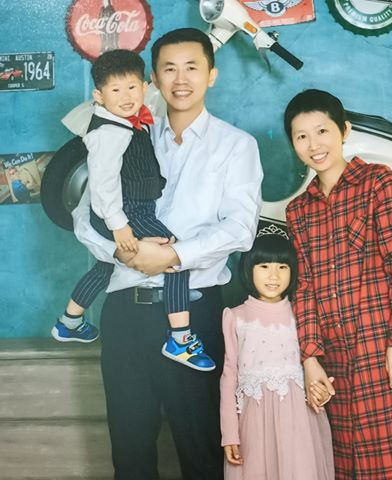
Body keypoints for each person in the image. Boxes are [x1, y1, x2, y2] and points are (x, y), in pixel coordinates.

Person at [71, 28, 263, 480]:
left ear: (211, 75)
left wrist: (173, 257)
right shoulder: (123, 132)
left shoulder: (236, 145)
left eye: (192, 67)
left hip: (193, 315)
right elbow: (84, 215)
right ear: (153, 80)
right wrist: (126, 253)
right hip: (125, 313)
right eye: (168, 69)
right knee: (130, 451)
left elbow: (240, 229)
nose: (180, 79)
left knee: (200, 450)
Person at [284, 89, 392, 480]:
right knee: (350, 463)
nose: (314, 144)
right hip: (336, 360)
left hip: (385, 348)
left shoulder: (378, 181)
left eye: (322, 131)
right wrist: (310, 359)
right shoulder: (298, 210)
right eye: (302, 136)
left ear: (344, 131)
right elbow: (304, 289)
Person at [52, 49, 215, 371]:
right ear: (99, 97)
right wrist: (119, 225)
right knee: (175, 257)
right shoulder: (108, 133)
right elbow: (103, 185)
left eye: (131, 88)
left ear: (143, 87)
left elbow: (159, 88)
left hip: (130, 207)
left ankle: (69, 321)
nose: (126, 97)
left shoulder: (134, 113)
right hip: (126, 211)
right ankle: (180, 339)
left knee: (106, 265)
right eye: (115, 90)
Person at [220, 232, 335, 480]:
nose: (274, 276)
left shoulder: (302, 314)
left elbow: (315, 367)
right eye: (264, 266)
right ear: (249, 269)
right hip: (254, 422)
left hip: (299, 421)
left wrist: (322, 392)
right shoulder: (235, 316)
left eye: (282, 267)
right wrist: (229, 434)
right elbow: (229, 377)